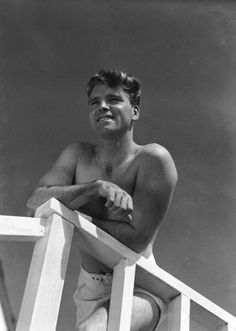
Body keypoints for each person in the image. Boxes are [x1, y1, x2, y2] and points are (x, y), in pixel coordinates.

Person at [26, 69, 178, 331]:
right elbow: (34, 204)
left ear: (135, 111)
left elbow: (136, 239)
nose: (102, 107)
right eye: (94, 102)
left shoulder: (153, 158)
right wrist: (94, 189)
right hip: (89, 289)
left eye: (113, 99)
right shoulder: (77, 154)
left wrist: (73, 211)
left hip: (139, 284)